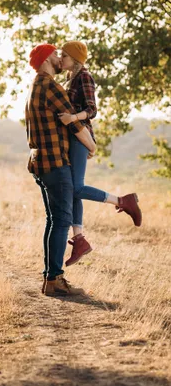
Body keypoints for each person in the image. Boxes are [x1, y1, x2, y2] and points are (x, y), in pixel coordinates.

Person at [58, 41, 142, 267]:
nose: (61, 58)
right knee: (74, 190)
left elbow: (92, 109)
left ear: (74, 58)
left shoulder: (84, 76)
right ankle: (79, 239)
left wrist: (73, 118)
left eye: (64, 55)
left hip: (79, 136)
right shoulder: (70, 78)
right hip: (72, 138)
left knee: (76, 187)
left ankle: (123, 200)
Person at [25, 43, 96, 296]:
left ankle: (51, 278)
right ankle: (54, 279)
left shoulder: (34, 86)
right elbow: (76, 125)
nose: (58, 58)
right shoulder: (52, 87)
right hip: (56, 163)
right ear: (46, 60)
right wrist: (91, 145)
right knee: (62, 221)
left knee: (54, 221)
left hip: (40, 163)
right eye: (55, 54)